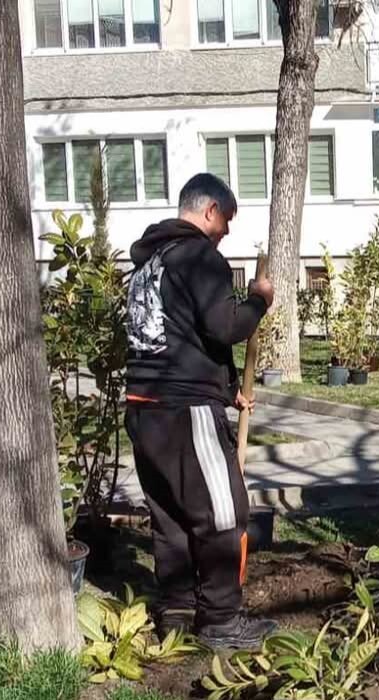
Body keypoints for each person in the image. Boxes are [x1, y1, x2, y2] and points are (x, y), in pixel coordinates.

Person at [124, 173, 278, 651]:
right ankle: (220, 619)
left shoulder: (150, 263)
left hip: (145, 408)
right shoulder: (198, 255)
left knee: (171, 512)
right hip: (183, 410)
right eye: (226, 220)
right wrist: (259, 300)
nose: (226, 232)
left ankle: (176, 607)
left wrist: (226, 388)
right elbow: (225, 325)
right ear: (210, 210)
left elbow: (182, 336)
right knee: (224, 511)